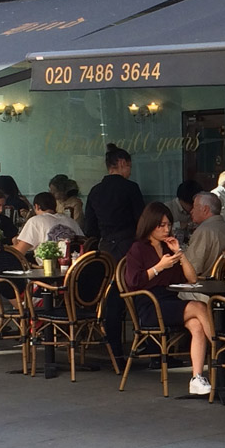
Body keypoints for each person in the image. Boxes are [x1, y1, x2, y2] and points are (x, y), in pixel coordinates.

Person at [124, 202, 214, 395]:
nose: (166, 229)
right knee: (199, 306)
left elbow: (191, 278)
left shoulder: (167, 247)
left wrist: (179, 254)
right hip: (150, 305)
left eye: (168, 225)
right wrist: (159, 267)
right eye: (161, 225)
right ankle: (221, 350)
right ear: (150, 224)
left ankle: (197, 378)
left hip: (169, 300)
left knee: (197, 324)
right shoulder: (138, 248)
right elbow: (133, 281)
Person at [85, 143, 146, 358]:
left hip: (105, 251)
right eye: (128, 166)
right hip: (129, 247)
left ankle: (113, 348)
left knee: (111, 298)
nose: (130, 170)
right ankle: (145, 342)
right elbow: (142, 221)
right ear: (120, 164)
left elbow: (89, 228)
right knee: (137, 293)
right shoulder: (131, 188)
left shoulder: (95, 191)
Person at [184, 192, 225, 277]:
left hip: (204, 285)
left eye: (194, 207)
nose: (191, 211)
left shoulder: (204, 231)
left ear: (205, 209)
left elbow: (192, 268)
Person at [13, 191, 83, 256]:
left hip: (47, 267)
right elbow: (84, 243)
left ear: (37, 206)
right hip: (74, 266)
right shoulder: (71, 221)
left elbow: (20, 251)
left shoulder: (35, 221)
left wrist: (13, 244)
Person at [166, 179, 203, 245]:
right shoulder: (167, 208)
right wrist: (180, 224)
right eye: (192, 205)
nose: (193, 209)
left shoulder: (198, 209)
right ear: (182, 200)